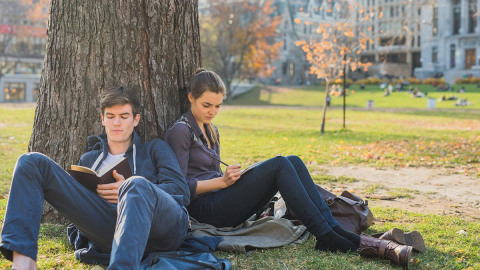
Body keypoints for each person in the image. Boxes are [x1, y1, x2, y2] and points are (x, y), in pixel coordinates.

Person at [164, 69, 419, 269]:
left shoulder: (211, 130)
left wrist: (229, 179)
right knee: (279, 164)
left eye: (218, 106)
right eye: (206, 105)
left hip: (221, 199)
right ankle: (330, 235)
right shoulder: (180, 132)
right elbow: (180, 189)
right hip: (204, 210)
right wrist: (222, 182)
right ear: (191, 98)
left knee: (293, 160)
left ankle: (333, 231)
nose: (212, 112)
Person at [0, 86, 190, 270]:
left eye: (124, 116)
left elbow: (181, 191)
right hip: (110, 230)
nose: (117, 123)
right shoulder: (89, 159)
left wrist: (130, 190)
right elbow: (81, 213)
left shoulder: (154, 149)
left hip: (162, 230)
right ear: (103, 120)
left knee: (135, 184)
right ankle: (23, 262)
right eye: (110, 116)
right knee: (31, 161)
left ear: (136, 119)